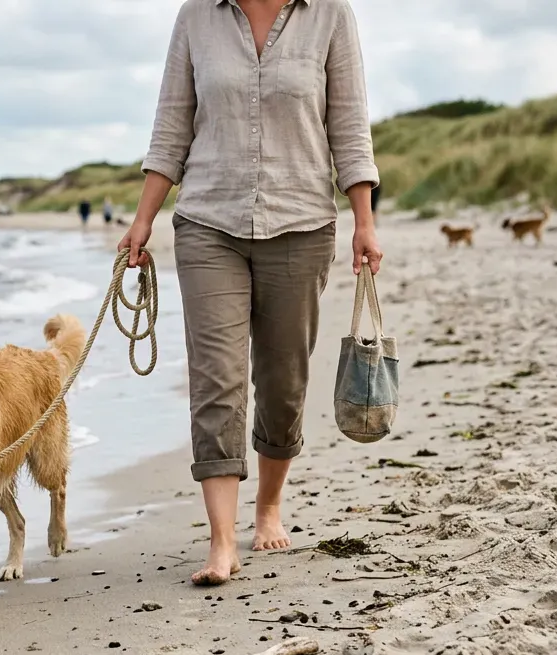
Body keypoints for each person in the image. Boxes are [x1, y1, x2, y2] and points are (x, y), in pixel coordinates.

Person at [118, 0, 383, 586]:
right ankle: (220, 541)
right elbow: (170, 129)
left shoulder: (331, 14)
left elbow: (349, 126)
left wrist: (364, 221)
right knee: (217, 378)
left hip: (303, 222)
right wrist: (143, 220)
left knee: (283, 383)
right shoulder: (196, 17)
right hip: (208, 222)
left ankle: (267, 507)